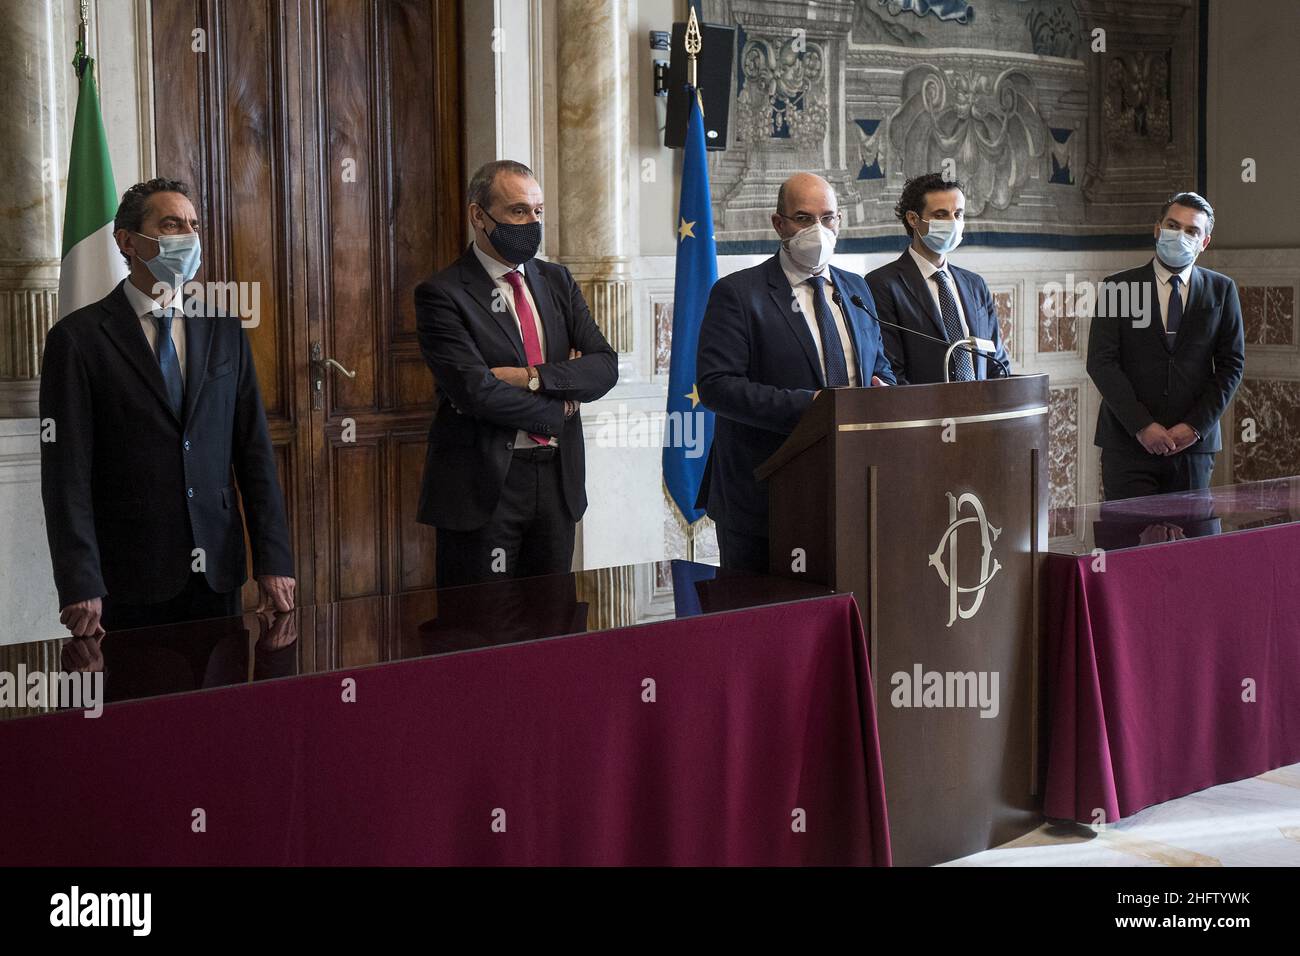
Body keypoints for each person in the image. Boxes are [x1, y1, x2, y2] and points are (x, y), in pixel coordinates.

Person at [40, 178, 295, 636]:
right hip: (130, 576)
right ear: (128, 241)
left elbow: (254, 452)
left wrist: (273, 560)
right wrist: (79, 581)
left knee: (221, 701)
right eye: (172, 224)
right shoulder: (78, 339)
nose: (189, 237)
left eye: (193, 225)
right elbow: (66, 475)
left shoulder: (223, 329)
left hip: (217, 569)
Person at [414, 160, 618, 586]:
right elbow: (475, 392)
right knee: (482, 627)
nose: (532, 222)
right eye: (518, 212)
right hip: (484, 486)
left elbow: (603, 365)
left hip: (557, 480)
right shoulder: (442, 294)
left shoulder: (557, 281)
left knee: (553, 620)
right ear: (479, 216)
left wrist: (532, 377)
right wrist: (560, 407)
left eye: (538, 211)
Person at [696, 172, 895, 572]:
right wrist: (814, 407)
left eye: (828, 218)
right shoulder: (738, 293)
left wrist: (885, 388)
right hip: (765, 498)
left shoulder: (856, 288)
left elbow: (879, 365)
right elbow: (718, 387)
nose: (818, 230)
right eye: (804, 218)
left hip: (850, 489)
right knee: (762, 625)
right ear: (779, 223)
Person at [1086, 191, 1244, 500]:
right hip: (1127, 445)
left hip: (1193, 449)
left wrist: (1195, 426)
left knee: (1192, 544)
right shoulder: (1118, 287)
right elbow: (1101, 362)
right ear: (1158, 228)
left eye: (1192, 231)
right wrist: (1142, 426)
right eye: (1173, 225)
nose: (1180, 236)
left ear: (1204, 242)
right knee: (1127, 543)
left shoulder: (1221, 290)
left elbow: (1231, 365)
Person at [865, 172, 1010, 384]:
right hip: (923, 413)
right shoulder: (882, 284)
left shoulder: (975, 284)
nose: (953, 223)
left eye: (958, 214)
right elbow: (892, 370)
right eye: (941, 215)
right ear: (913, 219)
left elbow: (996, 362)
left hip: (979, 410)